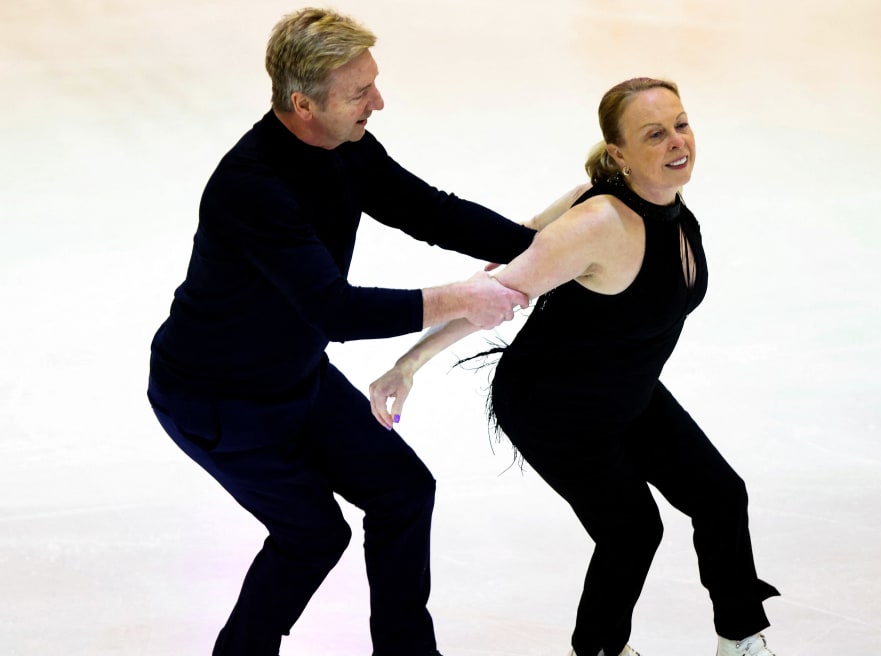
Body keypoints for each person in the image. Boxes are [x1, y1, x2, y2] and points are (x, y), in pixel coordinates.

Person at [143, 7, 566, 656]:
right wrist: (463, 298)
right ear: (301, 104)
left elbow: (426, 210)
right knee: (313, 534)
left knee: (402, 491)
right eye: (359, 91)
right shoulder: (252, 186)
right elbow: (334, 309)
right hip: (216, 400)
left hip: (294, 377)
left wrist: (544, 250)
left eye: (374, 81)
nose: (380, 101)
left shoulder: (346, 148)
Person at [369, 78, 781, 656]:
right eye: (654, 134)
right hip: (552, 406)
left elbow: (526, 236)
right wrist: (407, 364)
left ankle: (740, 638)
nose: (676, 143)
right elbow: (496, 294)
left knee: (719, 495)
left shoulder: (658, 203)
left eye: (681, 125)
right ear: (619, 153)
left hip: (626, 389)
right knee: (632, 530)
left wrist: (526, 245)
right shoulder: (600, 224)